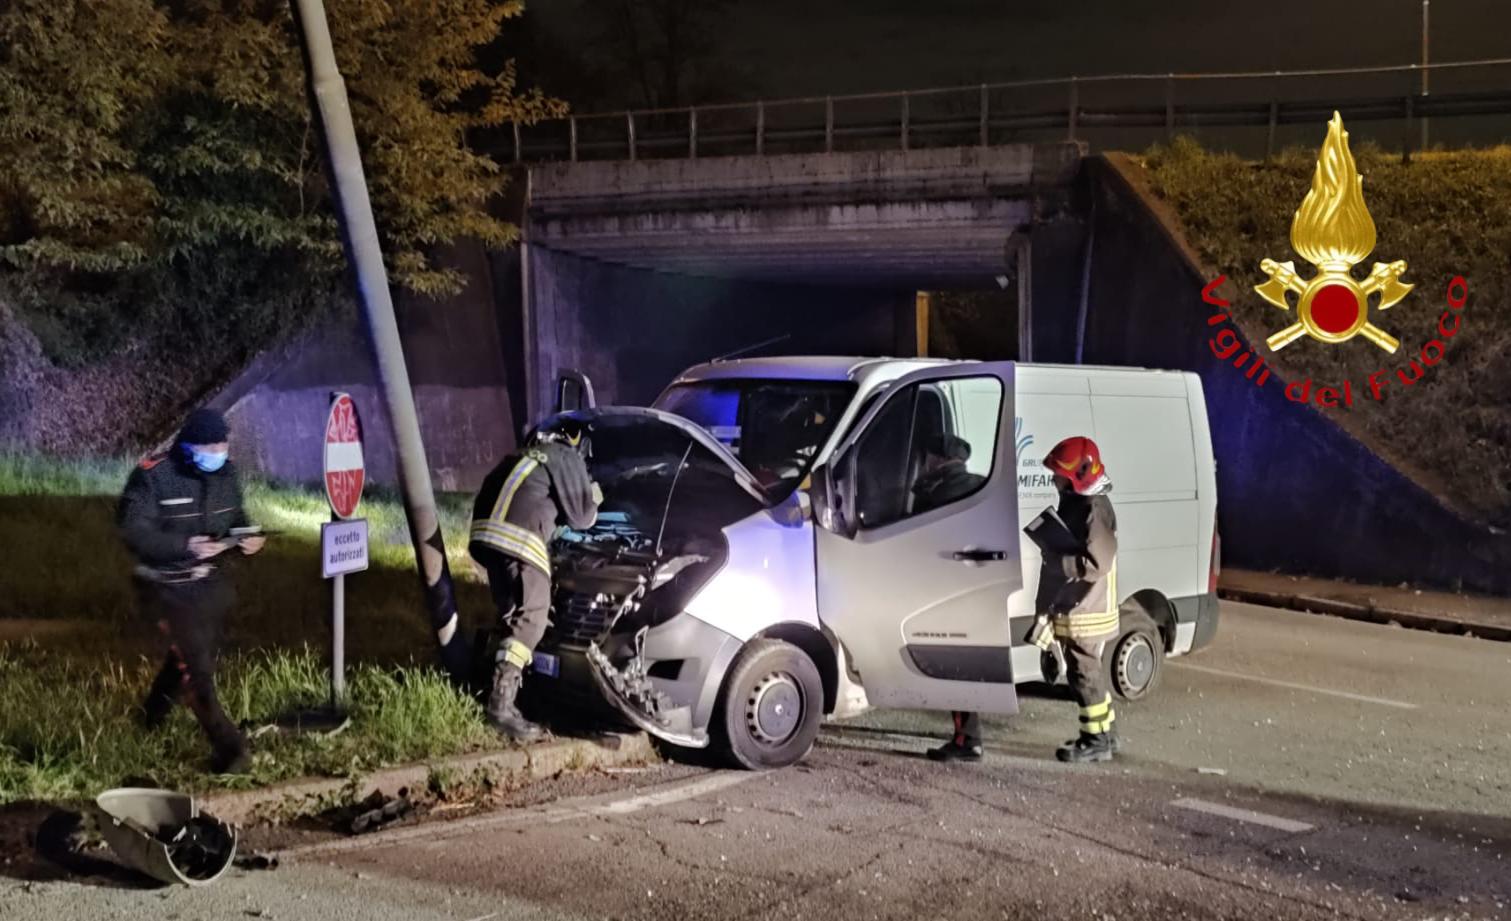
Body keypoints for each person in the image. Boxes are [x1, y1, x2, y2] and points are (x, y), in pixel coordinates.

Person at [928, 435, 1120, 765]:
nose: (1053, 480)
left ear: (1079, 474)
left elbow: (1097, 563)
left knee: (1084, 673)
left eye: (1059, 475)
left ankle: (1096, 740)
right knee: (1084, 672)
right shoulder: (1079, 502)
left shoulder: (1093, 510)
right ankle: (1103, 733)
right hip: (1078, 603)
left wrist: (1060, 561)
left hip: (1086, 607)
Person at [120, 408, 265, 774]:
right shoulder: (154, 477)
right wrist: (186, 545)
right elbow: (134, 532)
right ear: (189, 446)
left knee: (187, 658)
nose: (219, 451)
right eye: (211, 446)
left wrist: (247, 539)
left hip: (209, 585)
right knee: (197, 668)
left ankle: (148, 720)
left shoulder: (226, 474)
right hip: (164, 586)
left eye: (223, 444)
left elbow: (236, 520)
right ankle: (230, 750)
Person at [469, 418, 602, 741]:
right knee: (532, 618)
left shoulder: (524, 455)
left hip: (486, 535)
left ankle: (486, 686)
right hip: (519, 537)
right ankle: (500, 707)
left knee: (511, 614)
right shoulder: (566, 456)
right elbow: (583, 517)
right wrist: (596, 493)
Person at [911, 434, 985, 514]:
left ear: (940, 459)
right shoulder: (982, 482)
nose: (925, 464)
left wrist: (919, 482)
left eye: (927, 458)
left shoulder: (939, 493)